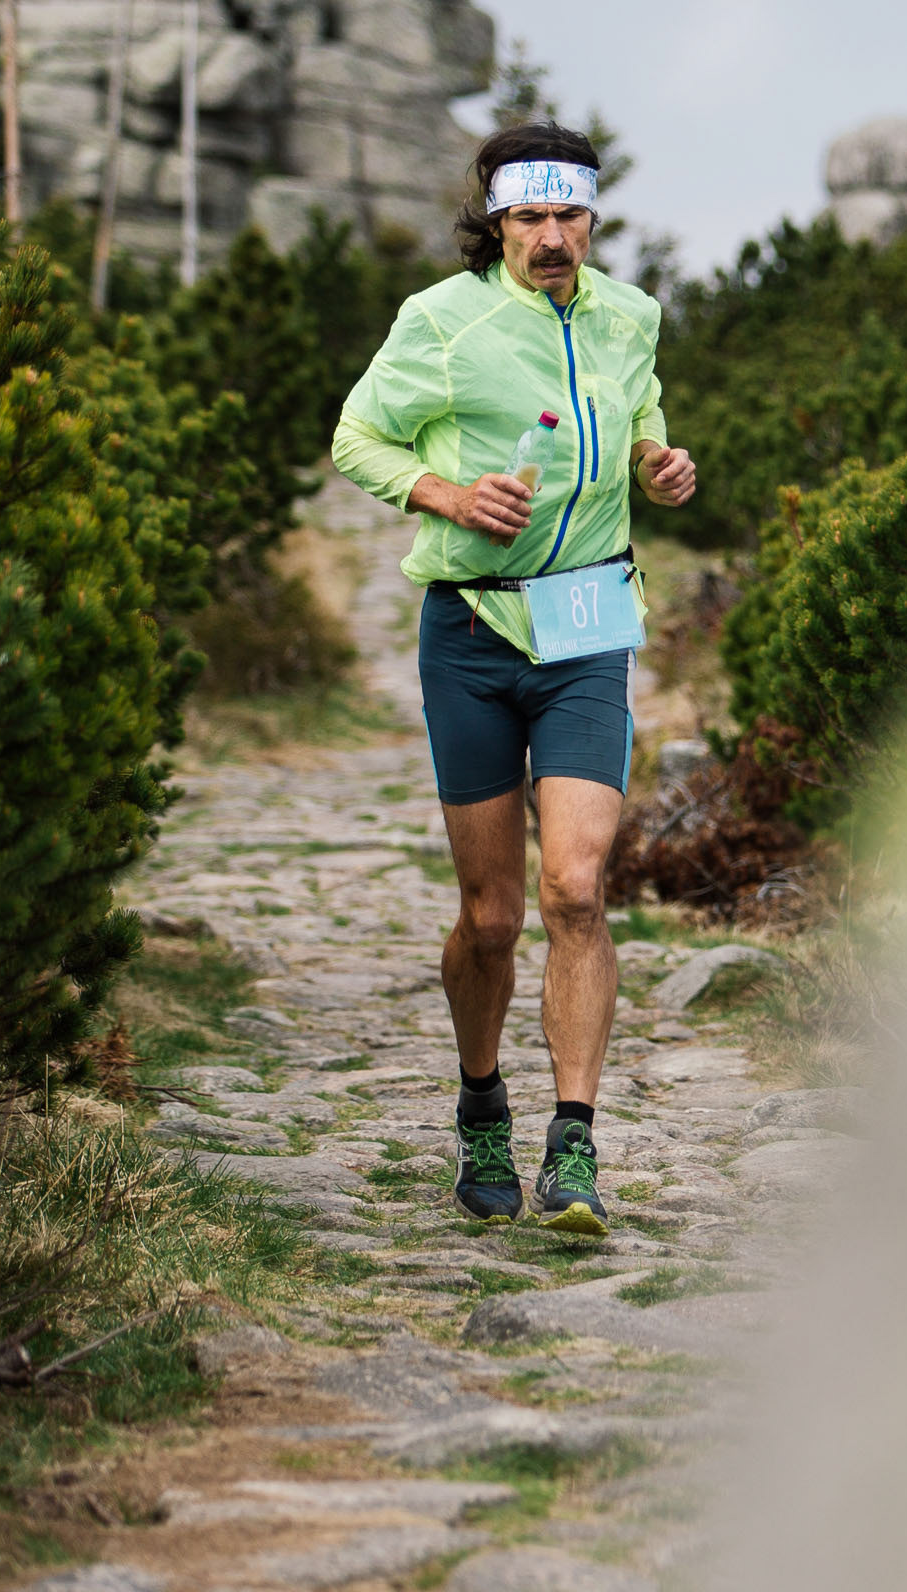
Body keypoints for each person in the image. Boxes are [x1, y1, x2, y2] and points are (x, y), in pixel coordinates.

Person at [331, 121, 696, 1236]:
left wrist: (656, 462)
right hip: (473, 629)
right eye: (529, 216)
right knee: (490, 917)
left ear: (592, 216)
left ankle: (573, 1143)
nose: (551, 236)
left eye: (568, 214)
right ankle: (481, 1102)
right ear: (494, 221)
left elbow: (638, 418)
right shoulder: (441, 321)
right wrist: (446, 494)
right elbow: (358, 438)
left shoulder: (629, 316)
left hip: (587, 624)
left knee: (575, 889)